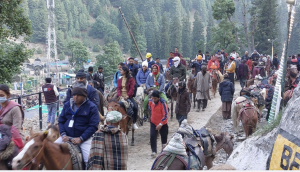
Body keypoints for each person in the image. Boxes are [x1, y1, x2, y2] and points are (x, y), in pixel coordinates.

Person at [56, 84, 100, 168]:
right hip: (66, 136)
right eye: (74, 95)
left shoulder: (92, 107)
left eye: (78, 95)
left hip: (84, 139)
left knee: (89, 160)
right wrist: (63, 134)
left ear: (84, 95)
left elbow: (93, 126)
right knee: (49, 151)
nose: (75, 97)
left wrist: (81, 138)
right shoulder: (67, 105)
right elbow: (61, 121)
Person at [148, 90, 169, 158]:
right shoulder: (150, 101)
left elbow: (165, 115)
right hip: (153, 122)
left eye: (155, 98)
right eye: (153, 98)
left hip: (162, 123)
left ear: (158, 98)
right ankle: (154, 151)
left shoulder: (163, 103)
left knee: (163, 136)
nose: (154, 100)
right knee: (152, 135)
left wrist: (160, 124)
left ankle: (164, 151)